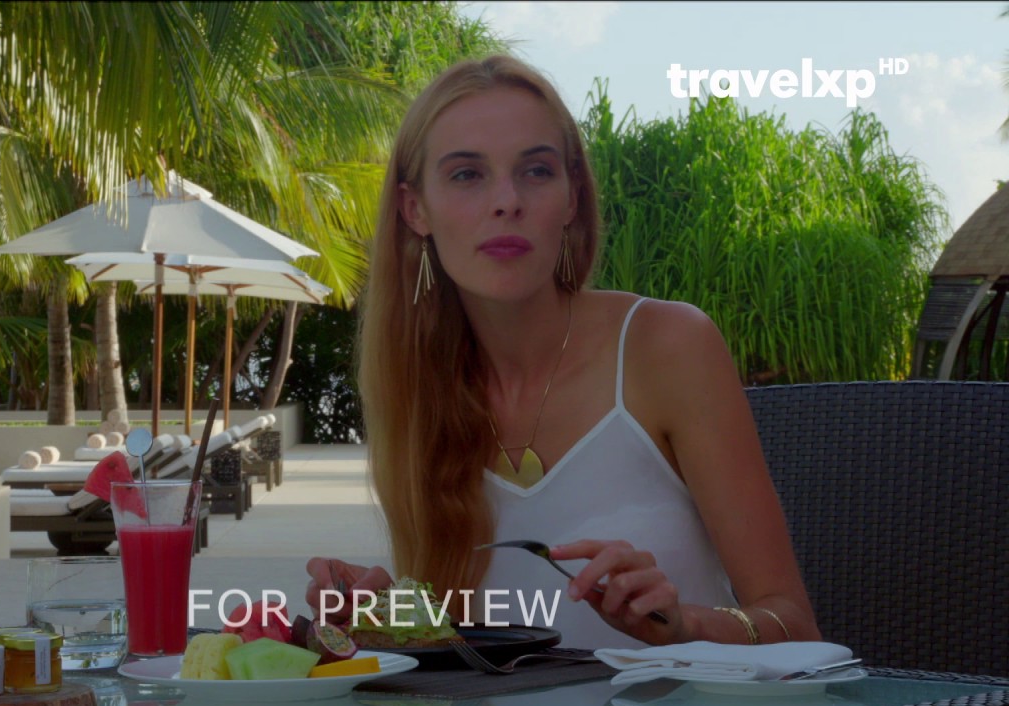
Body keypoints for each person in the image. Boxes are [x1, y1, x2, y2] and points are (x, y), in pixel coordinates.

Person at [306, 55, 819, 649]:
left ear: (572, 197)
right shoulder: (417, 388)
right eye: (467, 175)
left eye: (537, 171)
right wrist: (386, 612)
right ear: (414, 209)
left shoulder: (668, 347)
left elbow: (794, 627)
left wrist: (684, 625)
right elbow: (470, 648)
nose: (507, 201)